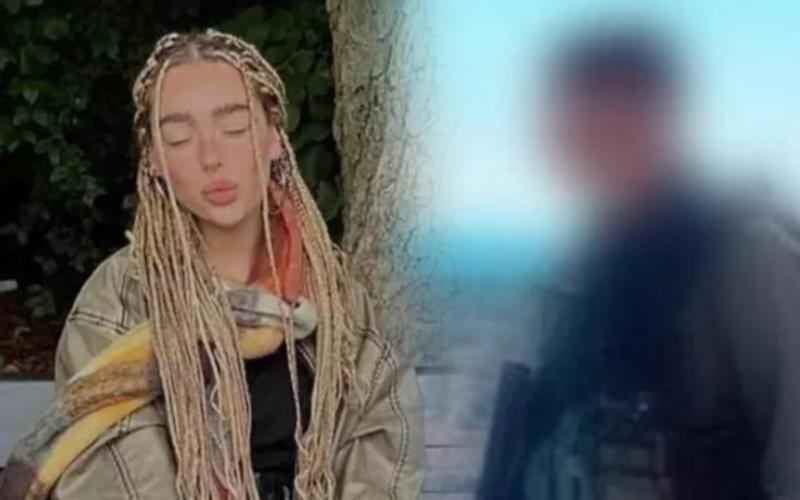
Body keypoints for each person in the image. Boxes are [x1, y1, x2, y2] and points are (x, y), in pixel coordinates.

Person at [0, 30, 423, 500]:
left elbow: (381, 437)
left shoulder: (332, 293)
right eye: (179, 137)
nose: (210, 157)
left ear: (274, 138)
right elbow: (114, 476)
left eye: (235, 128)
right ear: (153, 160)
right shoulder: (118, 302)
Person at [479, 27, 800, 500]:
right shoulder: (578, 283)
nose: (602, 148)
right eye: (587, 130)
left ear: (662, 125)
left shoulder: (745, 262)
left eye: (620, 129)